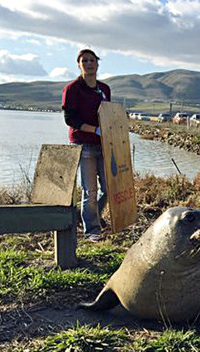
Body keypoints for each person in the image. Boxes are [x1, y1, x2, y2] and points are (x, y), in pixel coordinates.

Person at [61, 48, 111, 242]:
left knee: (108, 189)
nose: (89, 63)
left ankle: (93, 217)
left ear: (97, 64)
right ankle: (92, 230)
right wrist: (94, 130)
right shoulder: (73, 89)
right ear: (79, 65)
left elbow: (108, 114)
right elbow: (69, 118)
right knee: (89, 190)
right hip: (83, 145)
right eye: (84, 61)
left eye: (92, 60)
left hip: (103, 145)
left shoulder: (105, 89)